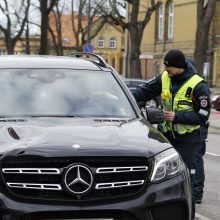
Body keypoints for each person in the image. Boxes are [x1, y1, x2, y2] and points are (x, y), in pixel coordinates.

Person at [131, 49, 211, 219]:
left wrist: (177, 117)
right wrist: (124, 96)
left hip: (190, 137)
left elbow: (203, 116)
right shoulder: (165, 78)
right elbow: (145, 91)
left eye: (169, 68)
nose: (166, 70)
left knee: (192, 167)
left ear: (179, 67)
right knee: (166, 168)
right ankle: (170, 195)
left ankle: (195, 199)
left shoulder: (198, 85)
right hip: (168, 134)